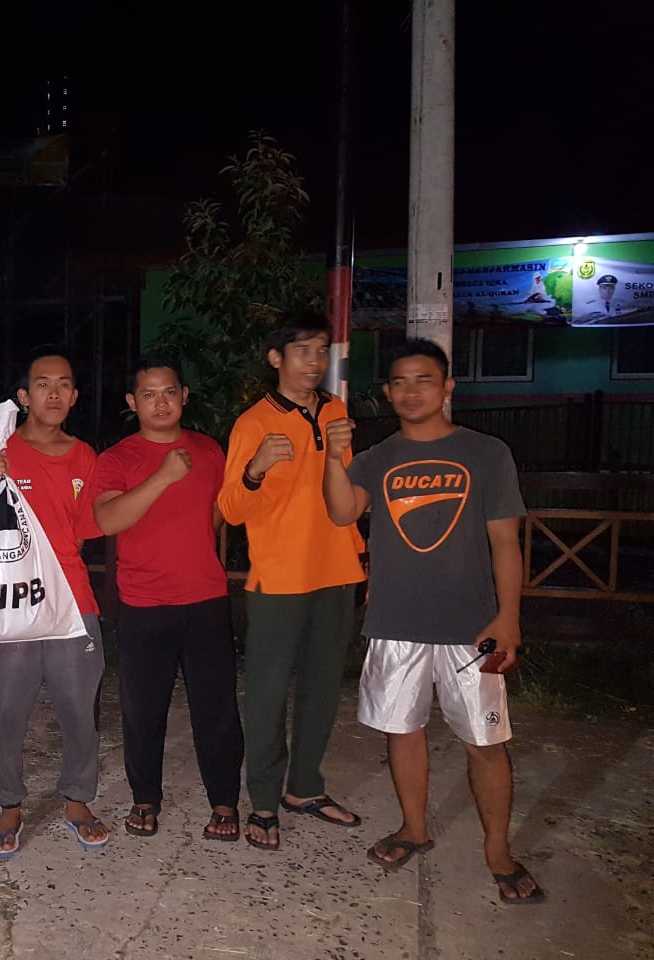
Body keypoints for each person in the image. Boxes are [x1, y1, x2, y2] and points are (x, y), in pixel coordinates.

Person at [322, 337, 545, 904]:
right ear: (388, 392)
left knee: (485, 742)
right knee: (402, 732)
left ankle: (498, 851)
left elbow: (506, 542)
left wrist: (509, 617)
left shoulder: (485, 452)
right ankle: (413, 828)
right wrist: (332, 457)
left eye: (424, 380)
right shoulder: (377, 458)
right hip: (395, 624)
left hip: (472, 629)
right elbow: (342, 511)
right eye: (399, 382)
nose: (410, 391)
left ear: (447, 387)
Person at [217, 317, 365, 851]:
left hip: (337, 569)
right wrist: (255, 469)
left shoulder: (336, 411)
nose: (314, 361)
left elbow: (346, 490)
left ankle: (304, 788)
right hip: (279, 575)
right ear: (276, 358)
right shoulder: (253, 422)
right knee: (267, 692)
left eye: (321, 350)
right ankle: (262, 799)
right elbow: (231, 509)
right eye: (301, 350)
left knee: (323, 688)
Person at [88, 355, 244, 841]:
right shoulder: (116, 459)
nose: (161, 403)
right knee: (142, 709)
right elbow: (107, 520)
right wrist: (161, 477)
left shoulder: (209, 449)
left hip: (205, 597)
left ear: (184, 397)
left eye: (169, 392)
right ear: (132, 402)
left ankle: (224, 801)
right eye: (149, 395)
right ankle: (145, 798)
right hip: (144, 602)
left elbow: (217, 515)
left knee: (217, 707)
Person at [0, 347, 107, 858]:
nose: (54, 393)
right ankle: (8, 805)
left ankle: (77, 799)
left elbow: (86, 530)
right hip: (10, 602)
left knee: (79, 708)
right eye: (43, 384)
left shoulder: (85, 456)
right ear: (24, 396)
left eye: (64, 384)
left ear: (74, 396)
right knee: (7, 711)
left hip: (72, 599)